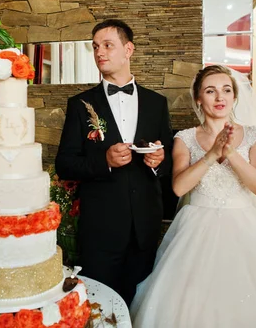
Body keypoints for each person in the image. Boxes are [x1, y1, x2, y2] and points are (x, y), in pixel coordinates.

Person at [130, 65, 256, 327]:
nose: (220, 97)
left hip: (244, 225)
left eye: (226, 90)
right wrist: (210, 155)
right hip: (196, 227)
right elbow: (179, 188)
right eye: (210, 91)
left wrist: (230, 153)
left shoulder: (253, 135)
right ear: (198, 98)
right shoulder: (185, 138)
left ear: (235, 97)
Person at [55, 19, 173, 305]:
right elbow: (64, 164)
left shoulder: (157, 103)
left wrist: (158, 161)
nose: (99, 52)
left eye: (108, 45)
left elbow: (168, 164)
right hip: (101, 228)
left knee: (141, 302)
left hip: (144, 226)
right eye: (95, 47)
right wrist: (103, 161)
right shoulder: (80, 104)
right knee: (99, 304)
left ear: (128, 49)